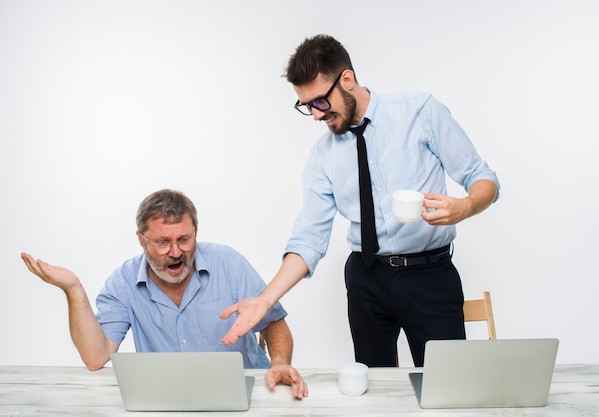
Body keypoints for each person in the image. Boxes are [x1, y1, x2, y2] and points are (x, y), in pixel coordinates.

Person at [221, 34, 500, 368]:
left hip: (430, 275)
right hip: (366, 278)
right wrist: (266, 300)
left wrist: (465, 206)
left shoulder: (420, 112)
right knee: (374, 388)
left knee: (449, 382)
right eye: (306, 106)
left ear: (347, 80)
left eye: (320, 102)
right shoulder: (322, 157)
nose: (315, 115)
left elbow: (483, 178)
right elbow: (309, 239)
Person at [21, 189, 308, 399]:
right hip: (169, 400)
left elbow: (273, 322)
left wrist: (280, 363)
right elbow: (96, 357)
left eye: (184, 239)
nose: (175, 252)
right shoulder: (123, 283)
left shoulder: (228, 264)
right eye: (162, 242)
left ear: (196, 231)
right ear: (141, 240)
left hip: (249, 394)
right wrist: (73, 289)